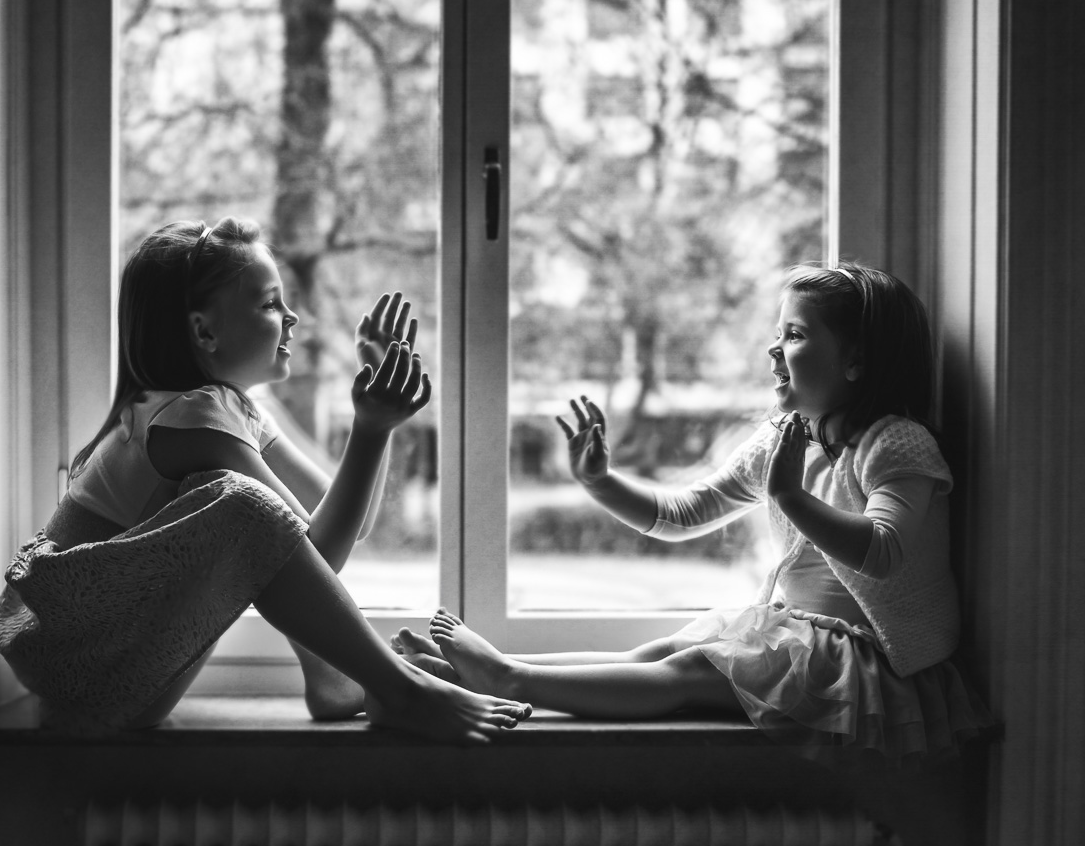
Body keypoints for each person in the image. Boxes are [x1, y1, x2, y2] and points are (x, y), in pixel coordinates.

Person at [396, 262, 989, 763]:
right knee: (653, 656)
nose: (772, 348)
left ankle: (507, 679)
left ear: (856, 361)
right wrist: (602, 482)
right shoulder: (787, 438)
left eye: (796, 335)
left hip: (870, 663)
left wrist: (789, 497)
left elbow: (884, 552)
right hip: (801, 636)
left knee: (687, 675)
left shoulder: (898, 443)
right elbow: (684, 512)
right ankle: (489, 674)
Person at [0, 217, 530, 741]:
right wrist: (367, 430)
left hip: (114, 667)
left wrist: (377, 426)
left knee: (257, 512)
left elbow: (346, 525)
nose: (291, 317)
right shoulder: (191, 416)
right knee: (247, 508)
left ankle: (338, 678)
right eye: (270, 303)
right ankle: (401, 688)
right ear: (204, 331)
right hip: (86, 674)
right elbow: (311, 550)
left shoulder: (228, 408)